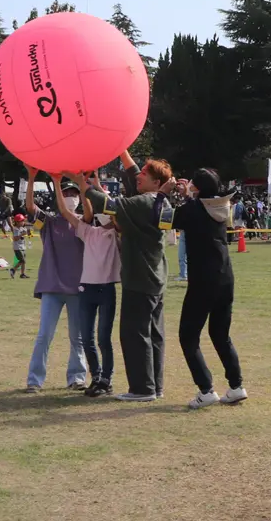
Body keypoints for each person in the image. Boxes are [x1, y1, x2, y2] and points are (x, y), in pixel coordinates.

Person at [84, 151, 176, 402]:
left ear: (156, 183)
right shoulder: (159, 202)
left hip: (140, 278)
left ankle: (142, 389)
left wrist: (83, 184)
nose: (139, 176)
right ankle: (154, 386)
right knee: (154, 335)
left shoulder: (145, 203)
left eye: (145, 175)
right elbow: (134, 175)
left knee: (134, 334)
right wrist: (122, 150)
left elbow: (107, 205)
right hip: (156, 278)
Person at [169, 170, 246, 410]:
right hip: (225, 278)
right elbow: (198, 207)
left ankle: (206, 389)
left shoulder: (193, 210)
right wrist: (189, 196)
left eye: (191, 183)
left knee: (188, 337)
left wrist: (168, 194)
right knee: (221, 335)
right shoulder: (220, 207)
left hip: (203, 281)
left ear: (199, 189)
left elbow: (167, 219)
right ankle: (236, 386)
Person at [22, 170, 89, 392]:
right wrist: (31, 177)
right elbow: (30, 207)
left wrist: (86, 184)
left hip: (77, 289)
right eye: (66, 192)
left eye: (74, 193)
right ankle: (34, 380)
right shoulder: (48, 222)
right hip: (51, 286)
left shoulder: (83, 222)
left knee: (77, 338)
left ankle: (77, 377)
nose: (70, 196)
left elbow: (91, 211)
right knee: (44, 336)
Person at [58, 174, 120, 398]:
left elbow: (110, 207)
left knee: (104, 337)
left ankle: (106, 379)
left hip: (106, 289)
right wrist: (57, 181)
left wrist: (95, 186)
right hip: (86, 289)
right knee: (86, 337)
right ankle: (97, 377)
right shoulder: (88, 232)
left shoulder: (115, 233)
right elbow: (67, 212)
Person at [9, 214, 30, 279]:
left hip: (22, 246)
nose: (23, 222)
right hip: (17, 247)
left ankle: (22, 274)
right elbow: (15, 239)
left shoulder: (22, 228)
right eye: (21, 221)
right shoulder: (16, 229)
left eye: (23, 221)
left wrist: (28, 232)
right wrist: (21, 234)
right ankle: (13, 269)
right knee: (22, 261)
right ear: (17, 222)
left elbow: (28, 234)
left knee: (23, 261)